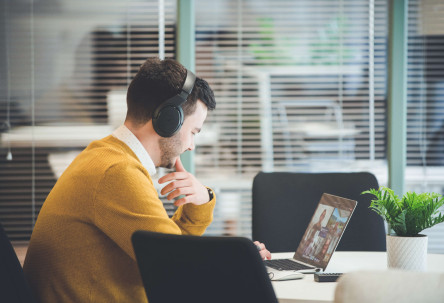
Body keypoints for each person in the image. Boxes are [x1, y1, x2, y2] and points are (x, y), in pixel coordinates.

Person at [23, 57, 270, 303]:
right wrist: (243, 261)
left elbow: (168, 253)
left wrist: (200, 203)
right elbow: (179, 269)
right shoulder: (116, 173)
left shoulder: (105, 156)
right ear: (168, 120)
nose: (191, 146)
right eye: (193, 132)